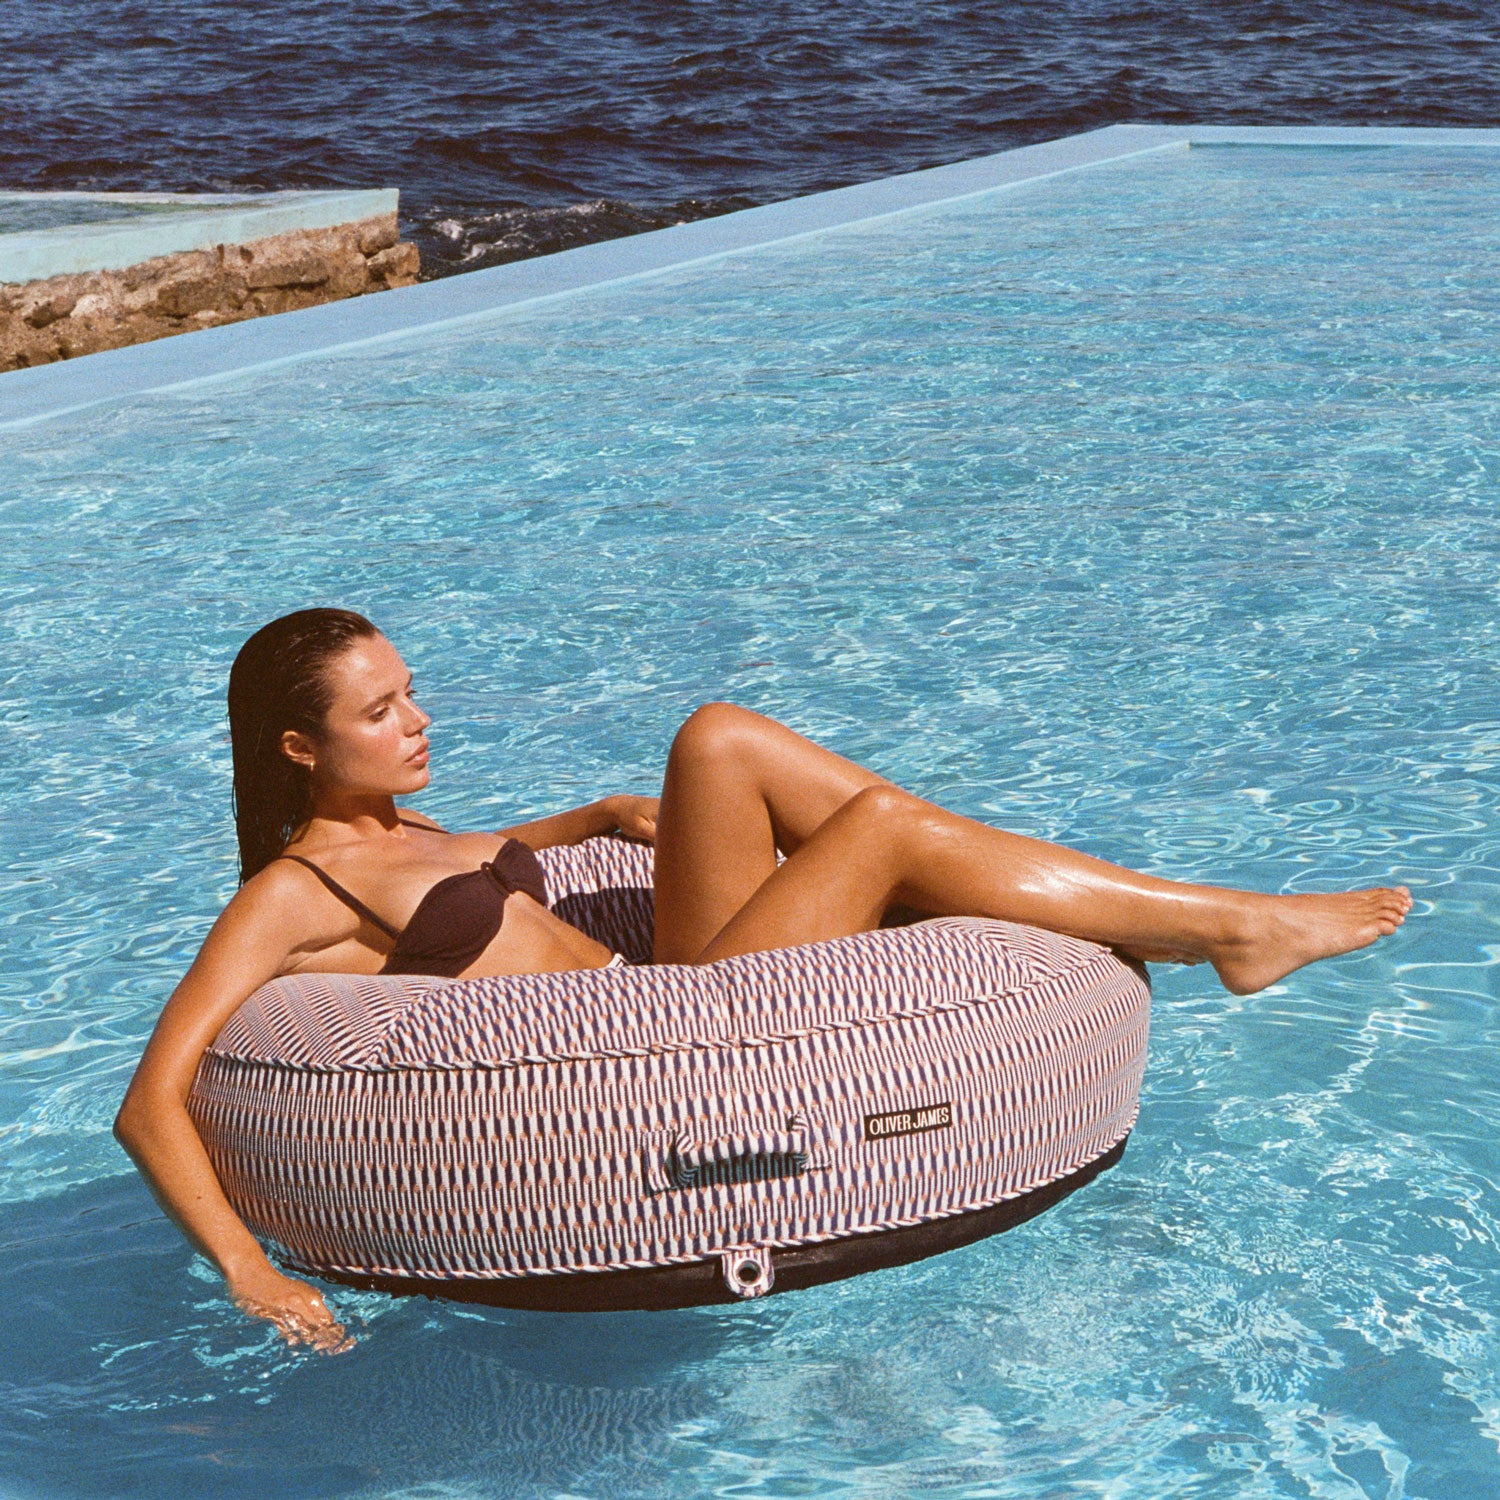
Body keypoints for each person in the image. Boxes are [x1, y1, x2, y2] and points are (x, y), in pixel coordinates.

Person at [114, 608, 1412, 1354]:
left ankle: (1116, 903)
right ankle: (1232, 928)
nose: (420, 723)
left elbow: (497, 870)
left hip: (666, 965)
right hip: (668, 1027)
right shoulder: (291, 897)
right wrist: (250, 1270)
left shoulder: (406, 834)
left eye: (413, 695)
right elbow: (153, 1099)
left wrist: (592, 821)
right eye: (383, 713)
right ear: (299, 747)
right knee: (887, 831)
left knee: (717, 736)